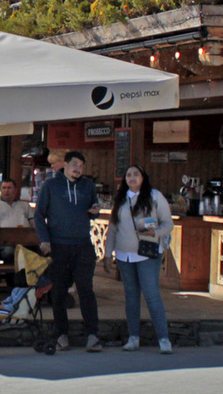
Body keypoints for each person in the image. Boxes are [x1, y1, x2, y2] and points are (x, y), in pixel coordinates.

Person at [33, 150, 103, 352]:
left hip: (82, 245)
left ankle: (93, 335)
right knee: (59, 292)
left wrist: (95, 211)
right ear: (65, 165)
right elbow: (39, 215)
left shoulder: (87, 186)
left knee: (86, 289)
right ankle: (61, 335)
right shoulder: (50, 186)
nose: (78, 168)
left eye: (81, 165)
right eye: (74, 164)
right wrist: (44, 240)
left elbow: (92, 210)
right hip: (59, 245)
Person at [104, 164, 174, 353]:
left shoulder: (154, 196)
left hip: (147, 253)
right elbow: (113, 228)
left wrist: (156, 232)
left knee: (152, 296)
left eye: (136, 174)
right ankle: (133, 337)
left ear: (143, 177)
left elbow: (168, 223)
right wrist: (107, 253)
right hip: (124, 255)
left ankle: (164, 339)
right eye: (128, 175)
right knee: (131, 298)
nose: (132, 178)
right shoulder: (121, 200)